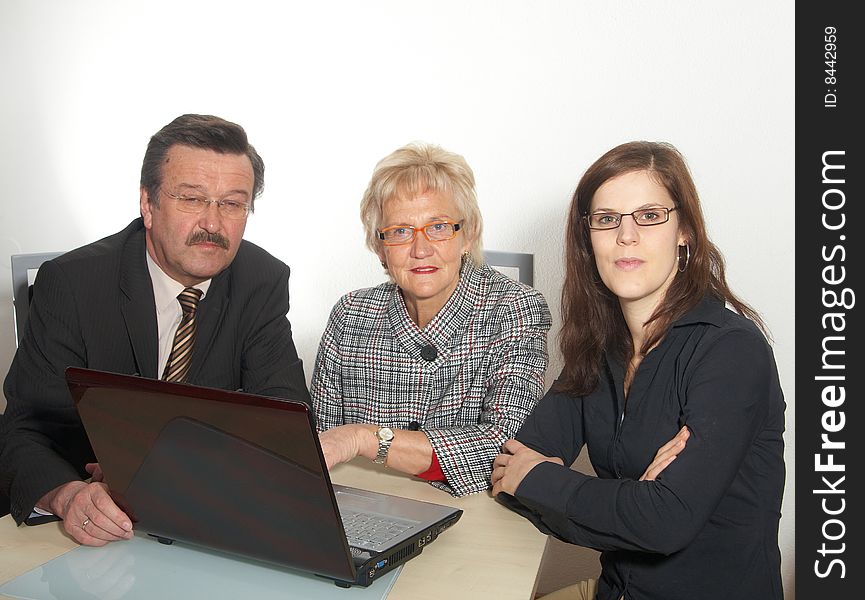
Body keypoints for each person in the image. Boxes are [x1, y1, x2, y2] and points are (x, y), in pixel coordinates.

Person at [491, 141, 785, 599]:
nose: (625, 236)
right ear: (588, 238)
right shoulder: (600, 348)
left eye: (649, 216)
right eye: (607, 219)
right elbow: (508, 467)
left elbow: (664, 524)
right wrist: (631, 505)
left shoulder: (731, 351)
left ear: (684, 230)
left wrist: (543, 480)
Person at [0, 114, 309, 546]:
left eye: (232, 203)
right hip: (92, 533)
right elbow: (24, 430)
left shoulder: (261, 280)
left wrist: (159, 463)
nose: (213, 225)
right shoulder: (72, 283)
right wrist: (68, 497)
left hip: (203, 521)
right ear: (148, 204)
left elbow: (285, 421)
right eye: (192, 199)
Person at [311, 142, 551, 496]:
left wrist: (365, 439)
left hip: (474, 520)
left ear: (467, 234)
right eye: (400, 232)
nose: (420, 249)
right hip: (364, 513)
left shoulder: (514, 308)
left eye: (438, 227)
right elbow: (324, 450)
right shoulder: (350, 314)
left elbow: (505, 448)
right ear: (380, 248)